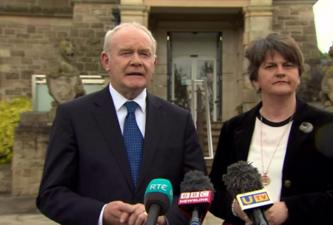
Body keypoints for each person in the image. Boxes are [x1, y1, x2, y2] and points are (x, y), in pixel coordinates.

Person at [37, 22, 206, 225]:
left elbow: (198, 191)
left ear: (154, 62)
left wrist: (164, 219)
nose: (136, 61)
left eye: (144, 54)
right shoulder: (73, 116)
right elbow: (51, 194)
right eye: (126, 53)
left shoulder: (179, 120)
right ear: (106, 61)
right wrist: (102, 213)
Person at [209, 33, 333, 225]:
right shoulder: (234, 128)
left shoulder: (327, 125)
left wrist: (291, 209)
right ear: (255, 80)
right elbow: (214, 191)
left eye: (288, 65)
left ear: (298, 75)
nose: (280, 72)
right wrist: (233, 207)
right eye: (270, 66)